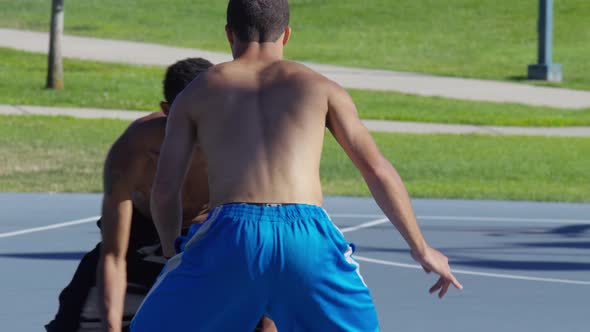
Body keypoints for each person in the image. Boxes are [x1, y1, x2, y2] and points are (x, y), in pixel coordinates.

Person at [132, 1, 463, 331]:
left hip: (230, 236)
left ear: (229, 34)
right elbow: (377, 170)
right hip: (307, 238)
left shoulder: (196, 92)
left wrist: (170, 250)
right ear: (287, 34)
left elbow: (165, 189)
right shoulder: (320, 88)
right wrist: (421, 248)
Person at [45, 58, 213, 332]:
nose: (201, 124)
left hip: (209, 236)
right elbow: (114, 255)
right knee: (75, 320)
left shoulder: (237, 146)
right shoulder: (134, 150)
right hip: (142, 236)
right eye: (189, 115)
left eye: (208, 111)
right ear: (167, 111)